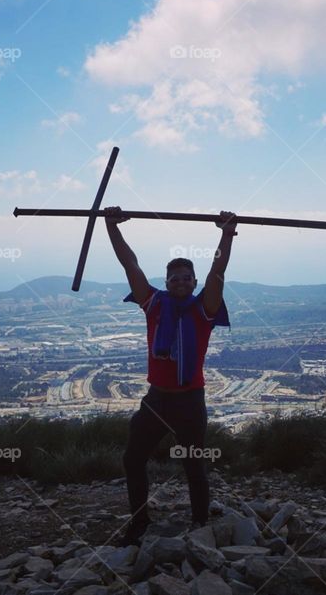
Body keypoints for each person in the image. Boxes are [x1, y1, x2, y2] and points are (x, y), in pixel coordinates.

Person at [103, 205, 237, 546]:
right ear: (167, 283)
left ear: (194, 283)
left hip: (191, 400)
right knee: (133, 458)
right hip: (157, 398)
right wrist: (112, 226)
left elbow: (218, 271)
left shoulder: (204, 308)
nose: (180, 281)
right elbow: (129, 263)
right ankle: (139, 523)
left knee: (194, 465)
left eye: (186, 278)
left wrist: (226, 232)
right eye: (174, 278)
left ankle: (200, 524)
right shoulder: (153, 303)